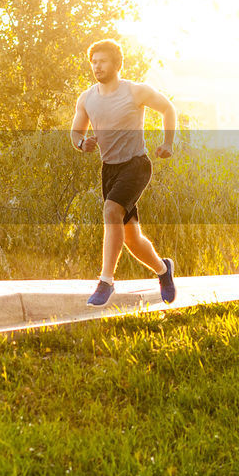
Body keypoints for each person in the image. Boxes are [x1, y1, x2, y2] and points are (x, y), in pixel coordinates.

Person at [70, 38, 177, 307]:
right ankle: (164, 270)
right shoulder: (87, 98)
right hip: (110, 169)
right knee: (132, 238)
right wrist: (84, 144)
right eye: (93, 62)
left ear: (116, 64)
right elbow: (75, 133)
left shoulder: (135, 92)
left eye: (102, 61)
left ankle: (106, 281)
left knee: (110, 210)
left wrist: (167, 143)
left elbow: (168, 108)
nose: (97, 66)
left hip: (136, 165)